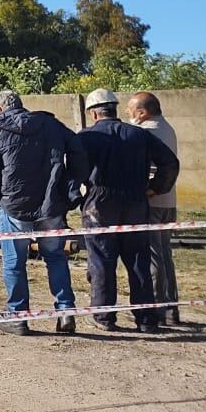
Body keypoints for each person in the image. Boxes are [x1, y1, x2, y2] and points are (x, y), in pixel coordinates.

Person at [0, 90, 88, 336]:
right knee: (56, 258)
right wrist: (70, 187)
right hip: (51, 206)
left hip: (14, 207)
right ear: (20, 105)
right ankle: (65, 311)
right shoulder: (51, 124)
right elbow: (78, 150)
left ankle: (18, 317)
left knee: (14, 263)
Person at [77, 89, 180, 333]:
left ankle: (103, 318)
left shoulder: (86, 137)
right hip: (136, 202)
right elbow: (170, 163)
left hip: (99, 204)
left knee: (101, 261)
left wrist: (73, 196)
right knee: (138, 261)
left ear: (93, 114)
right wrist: (155, 188)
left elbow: (72, 170)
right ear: (113, 109)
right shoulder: (139, 134)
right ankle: (146, 320)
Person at [127, 91, 181, 325]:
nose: (128, 114)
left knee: (154, 257)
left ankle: (158, 309)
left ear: (142, 112)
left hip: (152, 202)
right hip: (168, 201)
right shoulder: (167, 128)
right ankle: (170, 309)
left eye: (131, 110)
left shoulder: (146, 132)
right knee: (165, 256)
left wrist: (151, 189)